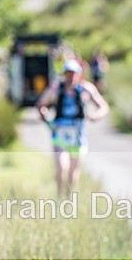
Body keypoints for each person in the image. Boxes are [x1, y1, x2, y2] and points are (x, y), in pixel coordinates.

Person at [36, 58, 110, 197]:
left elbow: (104, 107)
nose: (70, 77)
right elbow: (41, 106)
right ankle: (59, 198)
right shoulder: (55, 89)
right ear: (64, 74)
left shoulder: (86, 89)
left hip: (78, 136)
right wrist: (49, 123)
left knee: (73, 174)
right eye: (68, 73)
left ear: (79, 74)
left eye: (73, 73)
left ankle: (69, 202)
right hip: (59, 135)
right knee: (61, 169)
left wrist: (96, 116)